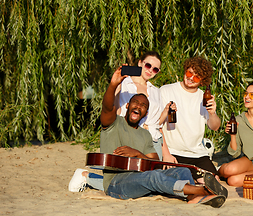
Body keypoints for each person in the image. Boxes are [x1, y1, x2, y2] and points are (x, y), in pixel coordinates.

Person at [95, 68, 227, 207]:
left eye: (143, 106)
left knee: (182, 171)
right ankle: (202, 190)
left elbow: (155, 163)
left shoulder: (145, 134)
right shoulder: (113, 123)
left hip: (141, 180)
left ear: (146, 113)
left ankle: (193, 197)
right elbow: (107, 107)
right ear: (127, 105)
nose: (139, 107)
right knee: (153, 176)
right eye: (136, 103)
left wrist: (137, 154)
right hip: (117, 183)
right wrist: (113, 85)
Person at [69, 51, 165, 192]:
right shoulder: (124, 83)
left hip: (153, 140)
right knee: (130, 181)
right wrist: (116, 86)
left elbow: (158, 123)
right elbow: (114, 111)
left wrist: (166, 151)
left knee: (154, 181)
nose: (150, 70)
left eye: (155, 69)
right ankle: (86, 176)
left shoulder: (156, 91)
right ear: (139, 63)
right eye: (148, 65)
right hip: (129, 135)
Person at [159, 56, 221, 181]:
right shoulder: (166, 90)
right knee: (182, 183)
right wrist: (166, 154)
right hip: (173, 152)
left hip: (197, 153)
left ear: (203, 81)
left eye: (197, 76)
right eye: (189, 73)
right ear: (185, 70)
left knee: (213, 182)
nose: (191, 78)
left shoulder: (203, 97)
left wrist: (213, 113)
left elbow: (215, 127)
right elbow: (157, 125)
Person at [218, 82, 253, 187]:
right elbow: (235, 153)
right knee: (228, 169)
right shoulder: (239, 120)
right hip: (248, 161)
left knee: (233, 181)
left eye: (252, 95)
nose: (247, 97)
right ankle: (215, 175)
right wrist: (233, 135)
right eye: (245, 94)